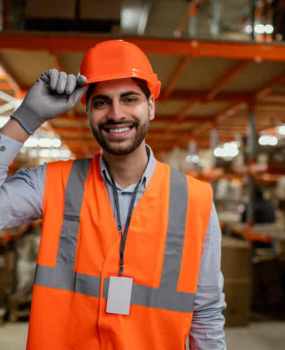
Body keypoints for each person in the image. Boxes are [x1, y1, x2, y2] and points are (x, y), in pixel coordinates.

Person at [0, 40, 226, 350]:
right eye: (102, 102)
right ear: (89, 111)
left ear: (151, 106)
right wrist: (25, 120)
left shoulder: (195, 200)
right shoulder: (53, 183)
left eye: (129, 98)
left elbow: (206, 313)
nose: (116, 114)